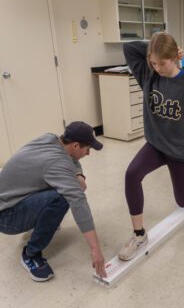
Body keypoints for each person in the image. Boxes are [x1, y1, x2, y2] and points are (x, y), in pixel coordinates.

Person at [118, 32, 184, 261]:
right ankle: (139, 235)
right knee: (131, 174)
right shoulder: (147, 75)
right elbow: (129, 48)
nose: (157, 67)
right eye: (153, 62)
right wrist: (155, 45)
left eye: (161, 62)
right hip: (155, 145)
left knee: (183, 201)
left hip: (182, 151)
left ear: (175, 57)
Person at [0, 121, 107, 282]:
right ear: (76, 145)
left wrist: (79, 174)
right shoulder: (56, 163)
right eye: (88, 149)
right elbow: (78, 201)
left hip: (9, 199)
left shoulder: (50, 139)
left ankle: (44, 220)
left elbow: (70, 159)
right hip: (7, 217)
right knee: (62, 197)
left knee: (61, 186)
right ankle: (31, 254)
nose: (88, 153)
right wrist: (95, 249)